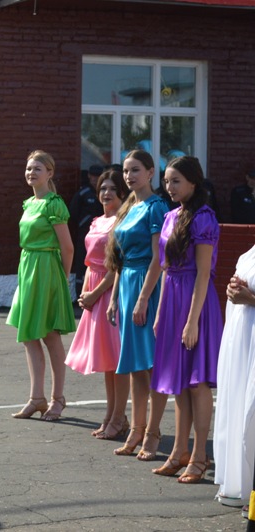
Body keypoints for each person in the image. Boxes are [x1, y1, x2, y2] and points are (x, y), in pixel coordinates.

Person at [149, 156, 222, 483]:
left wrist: (192, 321)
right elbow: (165, 271)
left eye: (176, 180)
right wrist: (162, 313)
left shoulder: (204, 219)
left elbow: (204, 275)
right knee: (178, 381)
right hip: (174, 301)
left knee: (197, 382)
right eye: (166, 181)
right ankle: (179, 451)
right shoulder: (169, 217)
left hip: (197, 303)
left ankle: (200, 456)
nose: (169, 186)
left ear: (194, 182)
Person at [107, 149, 170, 461]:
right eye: (126, 171)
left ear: (150, 172)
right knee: (133, 363)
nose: (129, 176)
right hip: (128, 285)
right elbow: (119, 258)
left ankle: (153, 431)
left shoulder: (157, 207)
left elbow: (159, 258)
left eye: (135, 170)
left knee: (151, 363)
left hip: (148, 284)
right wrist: (115, 297)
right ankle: (136, 428)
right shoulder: (131, 205)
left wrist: (144, 298)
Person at [7, 150, 76, 422]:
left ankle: (58, 399)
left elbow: (68, 247)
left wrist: (61, 281)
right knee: (28, 335)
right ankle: (37, 398)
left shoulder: (53, 204)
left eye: (37, 168)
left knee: (49, 336)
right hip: (28, 268)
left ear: (50, 173)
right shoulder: (28, 204)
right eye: (28, 168)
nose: (31, 173)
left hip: (47, 270)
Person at [65, 169, 130, 439]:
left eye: (112, 189)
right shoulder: (96, 220)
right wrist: (85, 291)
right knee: (106, 360)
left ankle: (119, 417)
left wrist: (95, 294)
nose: (106, 193)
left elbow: (118, 265)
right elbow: (90, 259)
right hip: (93, 285)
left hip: (111, 290)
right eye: (103, 188)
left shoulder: (122, 221)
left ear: (122, 194)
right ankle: (111, 415)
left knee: (117, 359)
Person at [214, 245, 255, 507]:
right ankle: (240, 484)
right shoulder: (248, 254)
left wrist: (250, 298)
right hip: (241, 343)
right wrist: (232, 291)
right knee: (239, 409)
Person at [70, 164, 104, 293]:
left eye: (98, 176)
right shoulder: (83, 193)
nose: (95, 179)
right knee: (82, 261)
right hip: (84, 235)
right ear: (89, 176)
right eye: (93, 176)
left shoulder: (105, 192)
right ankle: (80, 291)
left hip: (102, 236)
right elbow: (73, 213)